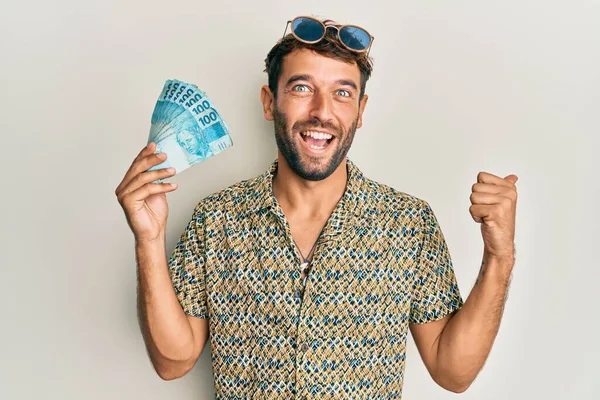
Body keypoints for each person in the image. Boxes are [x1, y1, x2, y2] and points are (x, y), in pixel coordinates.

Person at [115, 15, 519, 399]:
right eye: (302, 88)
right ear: (269, 102)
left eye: (342, 93)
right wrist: (148, 239)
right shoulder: (216, 219)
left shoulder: (408, 224)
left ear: (360, 112)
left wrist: (500, 255)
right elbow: (173, 361)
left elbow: (453, 371)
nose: (322, 112)